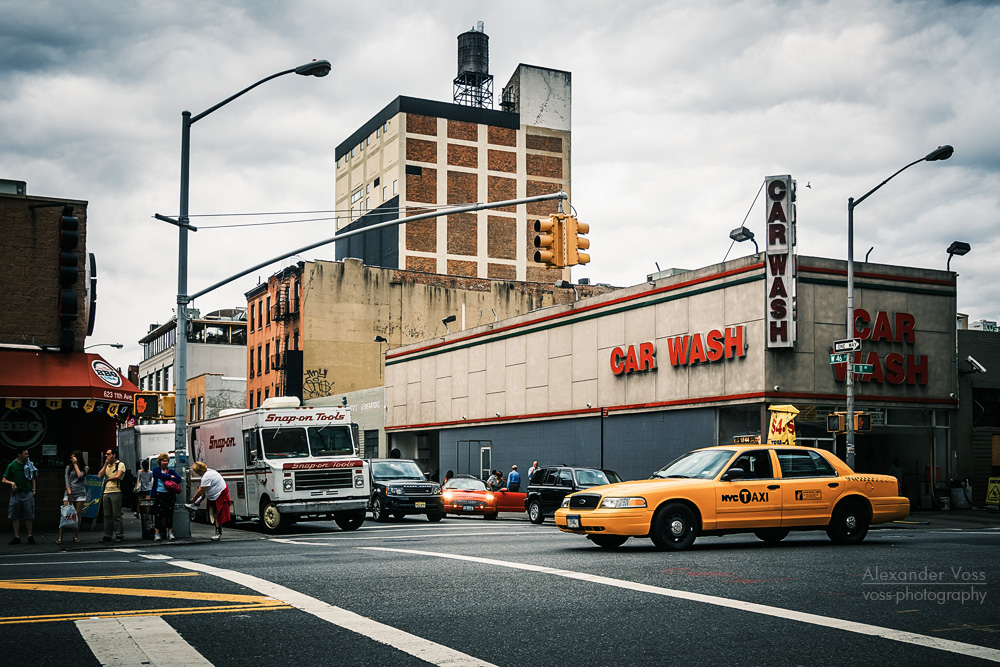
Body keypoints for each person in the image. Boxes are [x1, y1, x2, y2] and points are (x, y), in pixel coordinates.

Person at [188, 462, 230, 541]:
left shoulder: (207, 476)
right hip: (216, 493)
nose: (197, 474)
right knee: (216, 513)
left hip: (219, 494)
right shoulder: (210, 471)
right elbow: (204, 492)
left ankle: (218, 533)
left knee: (218, 514)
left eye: (197, 472)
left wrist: (193, 499)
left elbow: (201, 490)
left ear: (200, 470)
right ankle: (196, 504)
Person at [3, 448, 36, 545]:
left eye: (28, 453)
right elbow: (4, 479)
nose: (27, 455)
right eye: (25, 454)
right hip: (16, 494)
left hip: (27, 492)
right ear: (19, 454)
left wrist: (34, 490)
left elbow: (32, 478)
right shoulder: (12, 466)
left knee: (29, 515)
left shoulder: (29, 465)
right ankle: (16, 536)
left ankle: (30, 536)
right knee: (15, 515)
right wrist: (11, 483)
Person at [150, 453, 181, 542]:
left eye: (166, 461)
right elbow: (159, 475)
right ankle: (157, 533)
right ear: (160, 462)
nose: (165, 463)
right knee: (158, 513)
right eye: (163, 461)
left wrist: (170, 477)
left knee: (169, 513)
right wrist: (169, 477)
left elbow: (178, 479)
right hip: (159, 494)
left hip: (169, 494)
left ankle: (170, 532)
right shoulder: (156, 470)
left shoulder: (171, 471)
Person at [59, 450, 88, 545]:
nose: (72, 459)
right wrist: (69, 493)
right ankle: (60, 537)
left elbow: (80, 476)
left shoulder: (85, 468)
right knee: (65, 513)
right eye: (71, 458)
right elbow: (66, 480)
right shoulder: (68, 468)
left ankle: (75, 535)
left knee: (77, 514)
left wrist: (76, 465)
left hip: (80, 493)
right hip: (70, 492)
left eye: (73, 458)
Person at [98, 448, 126, 542]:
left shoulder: (120, 464)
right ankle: (107, 534)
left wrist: (108, 479)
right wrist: (105, 464)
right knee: (107, 515)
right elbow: (100, 475)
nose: (106, 456)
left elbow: (118, 476)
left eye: (108, 454)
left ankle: (119, 534)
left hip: (116, 491)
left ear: (114, 455)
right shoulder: (107, 465)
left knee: (116, 514)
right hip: (106, 492)